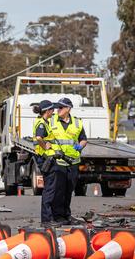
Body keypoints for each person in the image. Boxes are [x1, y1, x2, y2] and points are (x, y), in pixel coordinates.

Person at [49, 97, 87, 225]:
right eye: (57, 107)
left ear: (68, 109)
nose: (58, 110)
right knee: (58, 190)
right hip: (58, 161)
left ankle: (66, 215)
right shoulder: (51, 120)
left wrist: (80, 146)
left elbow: (83, 139)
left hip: (73, 162)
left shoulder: (77, 123)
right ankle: (57, 216)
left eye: (60, 107)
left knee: (69, 190)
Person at [32, 100, 60, 228]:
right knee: (49, 190)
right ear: (47, 111)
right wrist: (46, 146)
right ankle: (47, 220)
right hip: (45, 159)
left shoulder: (44, 122)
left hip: (46, 158)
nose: (53, 112)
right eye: (52, 110)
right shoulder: (42, 124)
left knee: (50, 189)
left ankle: (48, 218)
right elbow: (39, 138)